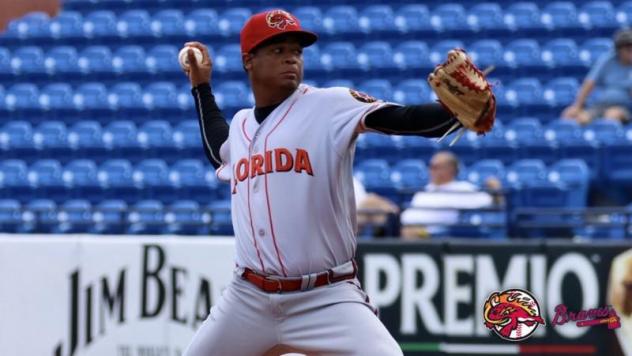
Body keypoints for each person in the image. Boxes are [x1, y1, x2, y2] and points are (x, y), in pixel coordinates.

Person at [181, 9, 462, 355]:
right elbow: (218, 150)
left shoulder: (329, 105)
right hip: (248, 297)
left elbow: (404, 119)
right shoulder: (240, 125)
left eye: (296, 51)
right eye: (278, 50)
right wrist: (201, 87)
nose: (291, 59)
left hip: (326, 296)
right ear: (248, 61)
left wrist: (453, 112)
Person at [400, 151, 498, 239]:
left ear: (450, 169)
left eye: (435, 167)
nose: (430, 170)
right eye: (430, 167)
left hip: (432, 235)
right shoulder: (425, 190)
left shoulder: (462, 189)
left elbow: (494, 202)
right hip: (404, 227)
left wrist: (495, 188)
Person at [562, 29, 632, 125]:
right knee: (573, 117)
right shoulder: (608, 60)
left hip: (624, 108)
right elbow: (590, 82)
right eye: (628, 49)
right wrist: (577, 106)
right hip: (601, 105)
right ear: (619, 50)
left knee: (611, 116)